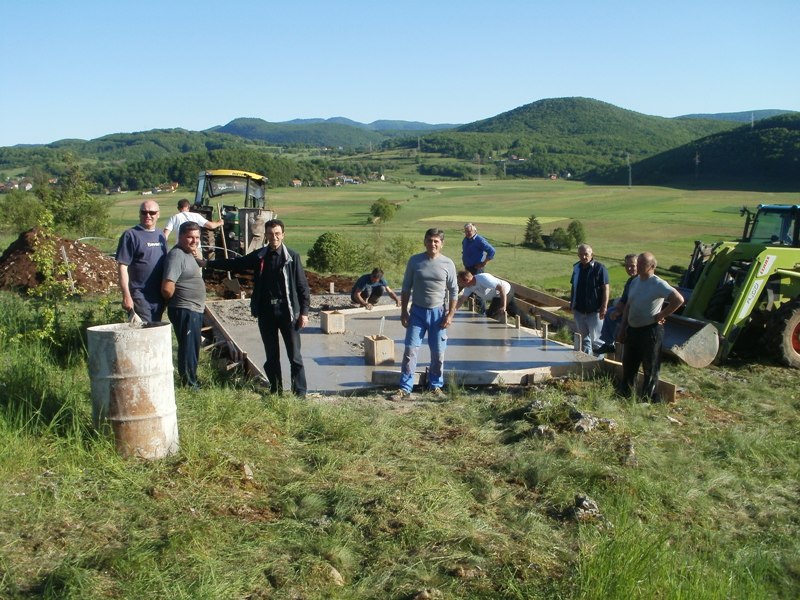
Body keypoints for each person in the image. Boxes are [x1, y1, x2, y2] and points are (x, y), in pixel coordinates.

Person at [203, 219, 310, 397]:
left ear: (283, 235)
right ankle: (276, 390)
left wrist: (304, 313)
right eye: (270, 234)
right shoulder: (260, 256)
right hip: (266, 313)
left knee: (295, 356)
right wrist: (208, 263)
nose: (274, 237)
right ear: (266, 235)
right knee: (272, 355)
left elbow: (302, 287)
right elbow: (236, 263)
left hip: (288, 312)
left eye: (277, 234)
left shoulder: (292, 257)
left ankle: (300, 393)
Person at [393, 228, 458, 401]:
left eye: (436, 241)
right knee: (410, 350)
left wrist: (450, 315)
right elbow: (406, 287)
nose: (433, 244)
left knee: (438, 352)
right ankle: (405, 388)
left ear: (442, 244)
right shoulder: (415, 261)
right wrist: (404, 312)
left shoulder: (448, 264)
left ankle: (435, 386)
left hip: (438, 314)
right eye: (430, 240)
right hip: (417, 313)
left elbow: (454, 292)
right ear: (425, 242)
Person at [616, 252, 684, 401]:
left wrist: (661, 315)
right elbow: (628, 305)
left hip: (650, 330)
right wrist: (622, 328)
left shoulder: (658, 283)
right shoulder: (635, 281)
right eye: (638, 263)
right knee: (629, 363)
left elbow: (678, 300)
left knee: (650, 366)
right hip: (633, 329)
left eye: (642, 264)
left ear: (652, 266)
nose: (638, 266)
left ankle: (647, 398)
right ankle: (626, 393)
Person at [162, 222, 206, 390]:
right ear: (180, 237)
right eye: (190, 237)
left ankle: (192, 378)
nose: (194, 241)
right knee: (188, 348)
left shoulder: (189, 254)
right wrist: (174, 301)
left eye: (197, 237)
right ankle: (188, 383)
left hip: (193, 309)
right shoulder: (177, 256)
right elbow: (167, 287)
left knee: (193, 347)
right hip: (184, 308)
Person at [116, 200, 167, 323]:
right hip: (140, 294)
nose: (148, 215)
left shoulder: (161, 235)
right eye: (144, 212)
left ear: (158, 214)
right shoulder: (131, 235)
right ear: (139, 214)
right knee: (145, 328)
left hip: (158, 294)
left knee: (156, 326)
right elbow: (122, 266)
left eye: (152, 212)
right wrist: (126, 295)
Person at [570, 243, 609, 355]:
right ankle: (587, 363)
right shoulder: (576, 268)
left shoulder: (600, 268)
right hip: (579, 310)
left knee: (597, 341)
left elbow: (606, 288)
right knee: (584, 340)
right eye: (581, 254)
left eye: (586, 254)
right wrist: (572, 303)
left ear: (592, 254)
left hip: (594, 311)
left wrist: (604, 307)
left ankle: (598, 365)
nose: (583, 257)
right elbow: (574, 286)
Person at [595, 253, 638, 354]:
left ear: (638, 265)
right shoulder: (630, 281)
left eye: (632, 266)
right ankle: (609, 343)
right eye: (627, 266)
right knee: (610, 311)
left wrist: (620, 311)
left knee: (613, 314)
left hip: (636, 314)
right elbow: (623, 300)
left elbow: (635, 301)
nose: (629, 268)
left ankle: (612, 342)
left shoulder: (640, 281)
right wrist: (619, 309)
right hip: (626, 310)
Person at [455, 270, 520, 320]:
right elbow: (461, 300)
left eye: (460, 282)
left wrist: (503, 306)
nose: (460, 284)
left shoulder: (483, 279)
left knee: (491, 316)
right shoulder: (469, 287)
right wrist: (452, 311)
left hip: (504, 292)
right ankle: (529, 325)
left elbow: (501, 288)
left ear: (467, 280)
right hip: (497, 296)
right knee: (514, 311)